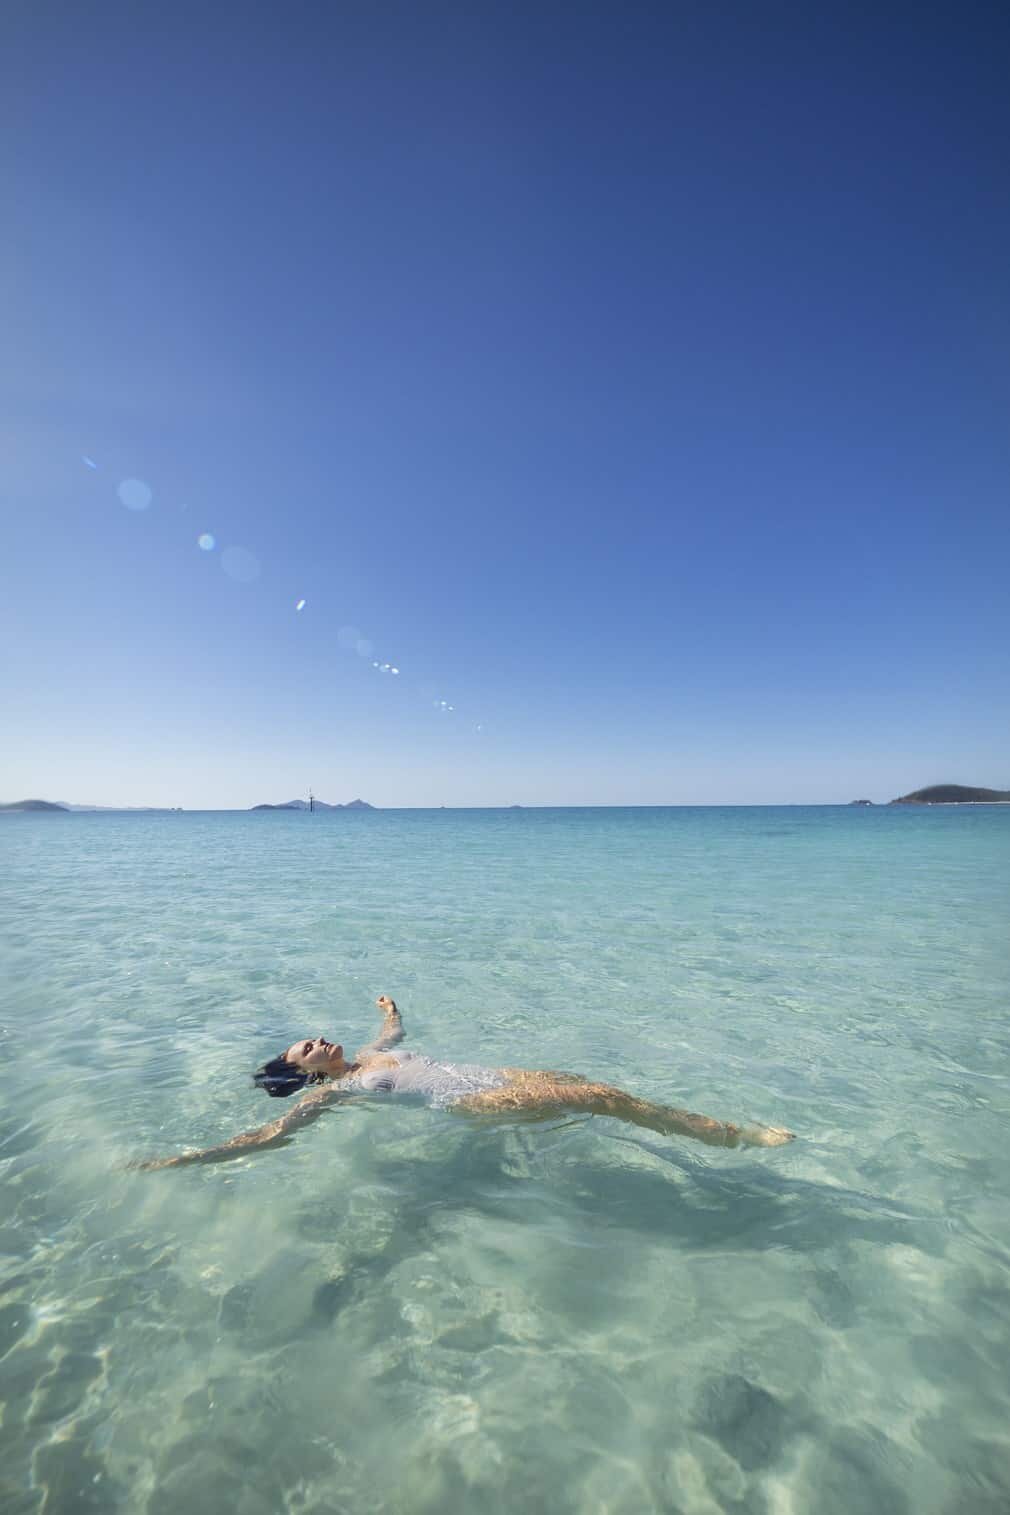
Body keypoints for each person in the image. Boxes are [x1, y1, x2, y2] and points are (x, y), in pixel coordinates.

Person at [138, 995, 794, 1169]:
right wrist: (194, 1155)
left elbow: (395, 1035)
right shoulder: (336, 1092)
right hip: (473, 1098)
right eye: (308, 1047)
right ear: (302, 1072)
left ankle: (710, 1133)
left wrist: (388, 1010)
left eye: (315, 1036)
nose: (319, 1040)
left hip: (494, 1074)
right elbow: (272, 1135)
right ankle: (729, 1137)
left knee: (591, 1086)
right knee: (605, 1100)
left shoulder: (366, 1054)